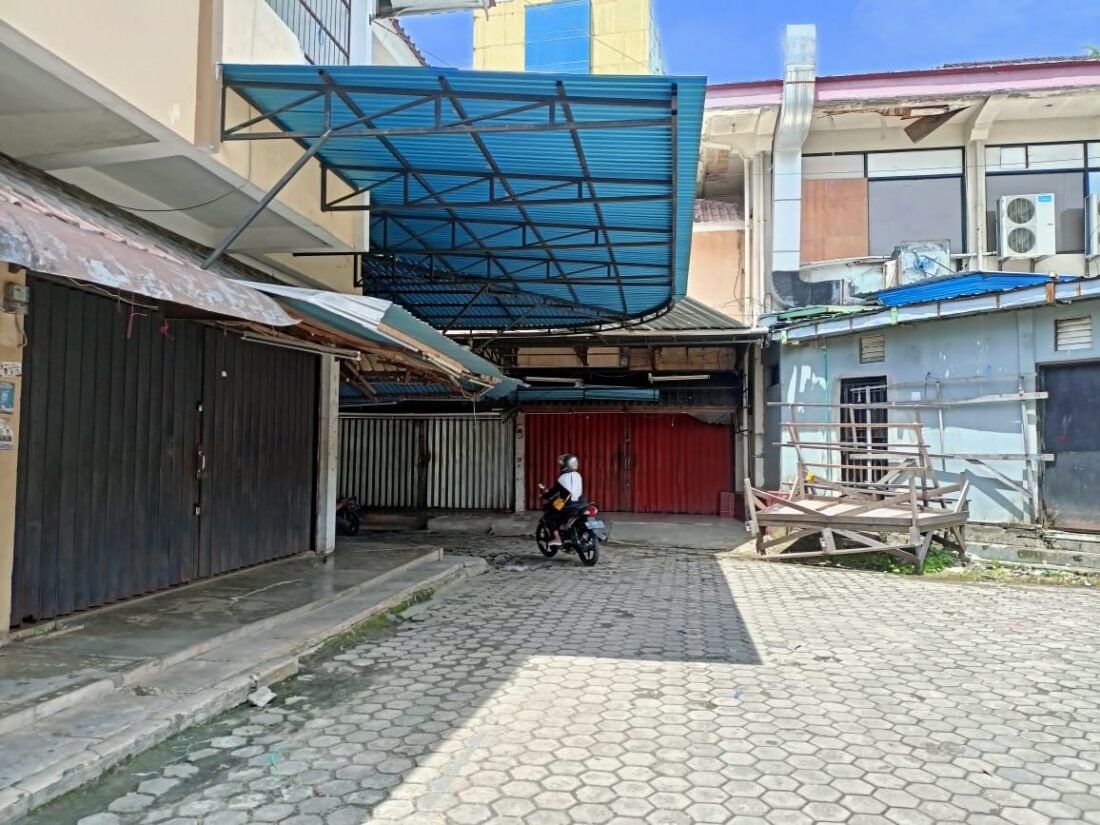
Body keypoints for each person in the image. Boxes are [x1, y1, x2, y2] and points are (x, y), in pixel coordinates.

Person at [543, 453, 584, 547]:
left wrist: (545, 496)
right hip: (581, 504)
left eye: (561, 464)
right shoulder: (578, 475)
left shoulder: (562, 478)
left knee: (549, 516)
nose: (560, 465)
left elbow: (553, 492)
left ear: (565, 465)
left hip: (568, 505)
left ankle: (557, 538)